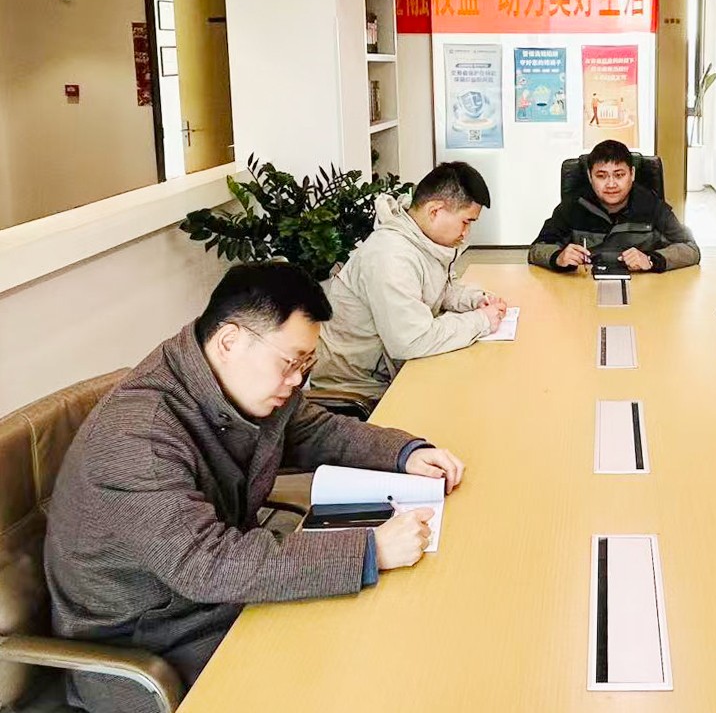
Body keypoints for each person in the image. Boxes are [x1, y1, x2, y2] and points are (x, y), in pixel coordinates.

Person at [44, 262, 465, 713]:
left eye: (305, 364)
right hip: (151, 642)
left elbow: (313, 430)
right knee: (357, 672)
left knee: (388, 635)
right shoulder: (139, 438)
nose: (297, 380)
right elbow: (206, 565)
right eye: (290, 362)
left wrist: (404, 453)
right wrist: (370, 550)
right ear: (230, 340)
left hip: (216, 601)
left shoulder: (231, 379)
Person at [313, 161, 507, 400]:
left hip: (395, 371)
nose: (466, 233)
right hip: (361, 391)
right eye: (466, 222)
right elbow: (412, 340)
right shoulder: (390, 254)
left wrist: (474, 300)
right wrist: (481, 321)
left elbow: (439, 289)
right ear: (435, 211)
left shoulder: (422, 238)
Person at [528, 140, 701, 273]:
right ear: (589, 176)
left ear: (632, 174)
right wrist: (558, 257)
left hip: (642, 288)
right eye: (601, 176)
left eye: (619, 175)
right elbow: (536, 249)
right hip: (583, 289)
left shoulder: (652, 205)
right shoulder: (573, 206)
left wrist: (651, 260)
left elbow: (691, 249)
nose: (611, 184)